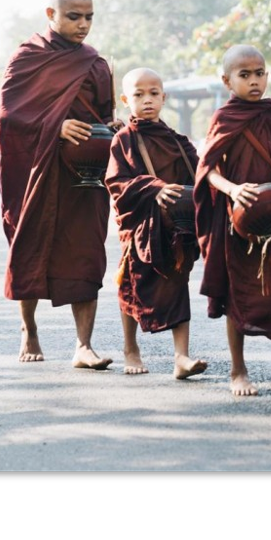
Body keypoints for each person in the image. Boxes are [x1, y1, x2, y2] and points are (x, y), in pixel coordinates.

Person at [0, 0, 116, 368]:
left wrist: (111, 128)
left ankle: (84, 345)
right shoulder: (27, 58)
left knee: (85, 253)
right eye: (74, 16)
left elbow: (103, 112)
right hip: (40, 172)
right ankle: (29, 329)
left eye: (89, 17)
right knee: (30, 245)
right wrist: (56, 126)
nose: (84, 25)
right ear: (51, 14)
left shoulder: (95, 63)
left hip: (84, 175)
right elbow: (9, 116)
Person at [194, 45, 271, 396]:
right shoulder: (223, 118)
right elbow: (207, 170)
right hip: (240, 222)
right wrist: (231, 189)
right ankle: (237, 371)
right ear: (227, 80)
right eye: (245, 75)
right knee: (238, 295)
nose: (254, 81)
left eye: (259, 73)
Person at [105, 68, 207, 379]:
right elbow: (116, 182)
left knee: (178, 286)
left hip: (174, 228)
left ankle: (182, 357)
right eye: (138, 95)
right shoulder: (123, 140)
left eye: (153, 94)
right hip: (139, 224)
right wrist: (155, 188)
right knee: (131, 284)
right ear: (126, 100)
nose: (147, 100)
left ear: (164, 97)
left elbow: (200, 173)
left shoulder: (176, 141)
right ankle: (130, 348)